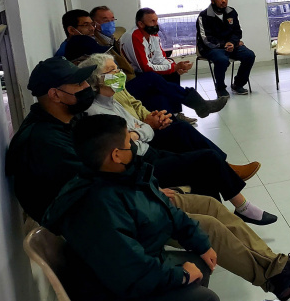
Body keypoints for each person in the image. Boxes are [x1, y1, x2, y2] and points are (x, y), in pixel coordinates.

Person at [6, 57, 290, 301]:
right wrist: (148, 194)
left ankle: (278, 267)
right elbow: (90, 193)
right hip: (101, 221)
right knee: (209, 225)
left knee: (207, 204)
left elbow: (113, 169)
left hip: (120, 197)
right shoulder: (44, 142)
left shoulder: (68, 120)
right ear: (55, 94)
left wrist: (148, 187)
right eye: (78, 86)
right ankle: (275, 275)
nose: (86, 89)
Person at [43, 114, 222, 301]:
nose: (134, 146)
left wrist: (199, 241)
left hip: (131, 273)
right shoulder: (96, 207)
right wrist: (181, 276)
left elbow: (164, 208)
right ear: (116, 155)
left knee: (200, 263)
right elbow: (130, 274)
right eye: (129, 142)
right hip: (110, 299)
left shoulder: (124, 176)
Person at [80, 54, 276, 226]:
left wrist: (141, 130)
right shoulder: (96, 111)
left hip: (148, 151)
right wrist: (142, 130)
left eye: (117, 68)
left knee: (200, 163)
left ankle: (223, 218)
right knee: (206, 159)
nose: (120, 73)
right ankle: (242, 208)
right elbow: (132, 142)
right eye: (113, 70)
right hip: (141, 164)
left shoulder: (112, 99)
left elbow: (142, 131)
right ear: (98, 80)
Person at [80, 52, 259, 181]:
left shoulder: (115, 90)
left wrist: (153, 116)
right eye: (113, 70)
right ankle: (222, 164)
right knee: (154, 81)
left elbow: (135, 103)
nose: (119, 73)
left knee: (169, 112)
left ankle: (224, 166)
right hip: (140, 142)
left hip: (142, 126)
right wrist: (147, 123)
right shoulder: (101, 104)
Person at [122, 7, 227, 124]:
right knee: (157, 75)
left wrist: (175, 66)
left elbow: (159, 58)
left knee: (173, 72)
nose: (156, 24)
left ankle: (177, 114)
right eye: (152, 21)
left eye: (156, 20)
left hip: (147, 72)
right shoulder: (134, 36)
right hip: (135, 76)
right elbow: (144, 68)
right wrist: (173, 67)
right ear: (140, 24)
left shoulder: (152, 33)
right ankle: (201, 104)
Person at [197, 0, 256, 97]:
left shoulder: (231, 12)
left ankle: (238, 84)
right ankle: (220, 88)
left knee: (249, 55)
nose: (223, 1)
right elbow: (206, 38)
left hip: (231, 45)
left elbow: (237, 31)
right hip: (211, 48)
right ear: (213, 0)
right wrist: (224, 45)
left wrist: (232, 43)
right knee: (222, 59)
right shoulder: (204, 16)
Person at [90, 5, 135, 79]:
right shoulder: (95, 43)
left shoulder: (113, 39)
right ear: (94, 24)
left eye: (112, 20)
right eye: (106, 21)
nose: (111, 23)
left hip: (128, 75)